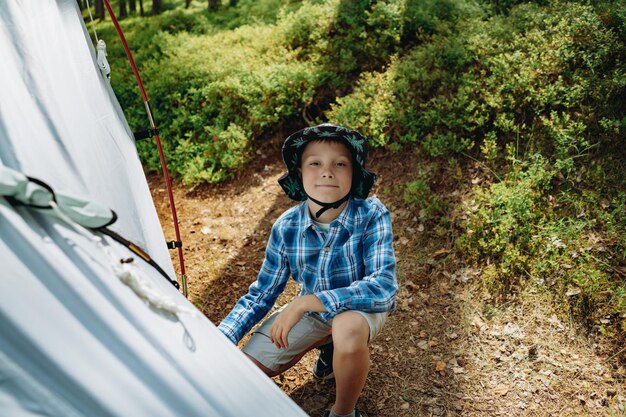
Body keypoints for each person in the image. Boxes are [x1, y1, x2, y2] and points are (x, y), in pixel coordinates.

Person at [218, 123, 398, 417]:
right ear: (299, 174)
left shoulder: (371, 214)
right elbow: (261, 293)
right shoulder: (286, 227)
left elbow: (383, 287)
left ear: (355, 173)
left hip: (360, 309)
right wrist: (221, 338)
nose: (327, 171)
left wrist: (304, 302)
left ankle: (344, 412)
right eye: (315, 163)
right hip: (313, 313)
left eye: (340, 163)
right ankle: (330, 347)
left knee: (347, 328)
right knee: (243, 373)